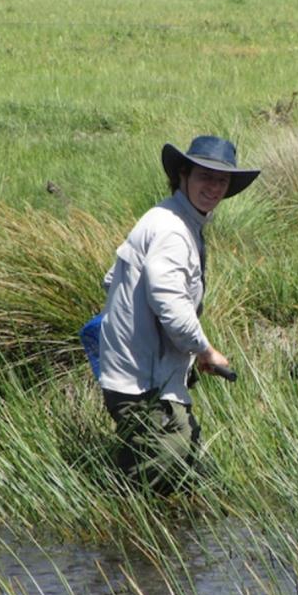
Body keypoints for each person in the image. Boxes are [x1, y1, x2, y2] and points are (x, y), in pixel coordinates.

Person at [98, 135, 259, 495]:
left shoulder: (166, 217)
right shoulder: (173, 230)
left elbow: (112, 280)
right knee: (154, 486)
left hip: (139, 373)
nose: (214, 187)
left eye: (221, 180)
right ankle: (125, 545)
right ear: (183, 175)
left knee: (183, 474)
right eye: (205, 176)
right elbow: (168, 299)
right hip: (143, 383)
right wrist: (204, 350)